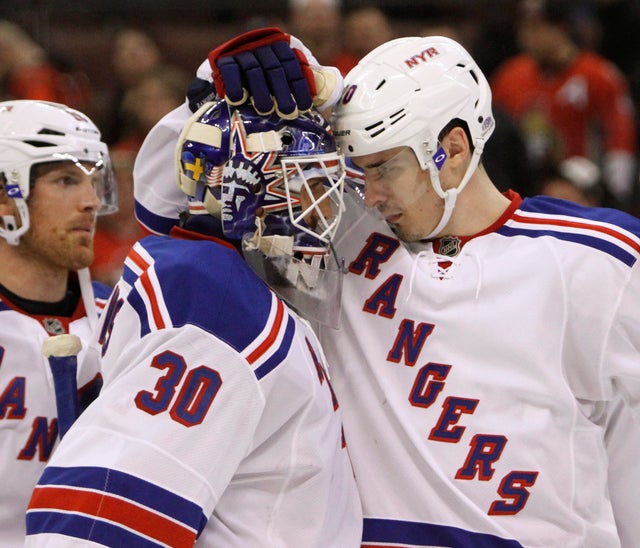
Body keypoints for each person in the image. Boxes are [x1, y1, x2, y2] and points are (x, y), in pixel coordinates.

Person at [155, 28, 640, 546]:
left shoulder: (600, 260)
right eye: (360, 171)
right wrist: (223, 93)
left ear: (453, 148)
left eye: (384, 167)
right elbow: (163, 206)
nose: (371, 193)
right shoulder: (335, 231)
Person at [25, 97, 362, 546]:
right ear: (241, 188)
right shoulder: (218, 302)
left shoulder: (233, 289)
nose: (323, 210)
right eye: (302, 185)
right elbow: (102, 519)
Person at [0, 99, 118, 546]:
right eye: (67, 180)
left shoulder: (124, 319)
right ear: (4, 196)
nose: (90, 201)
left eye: (93, 180)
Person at [490, 0, 637, 211]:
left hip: (585, 188)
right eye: (524, 28)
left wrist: (617, 197)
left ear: (561, 29)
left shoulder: (598, 75)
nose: (528, 37)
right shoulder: (510, 76)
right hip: (526, 189)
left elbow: (620, 138)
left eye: (538, 28)